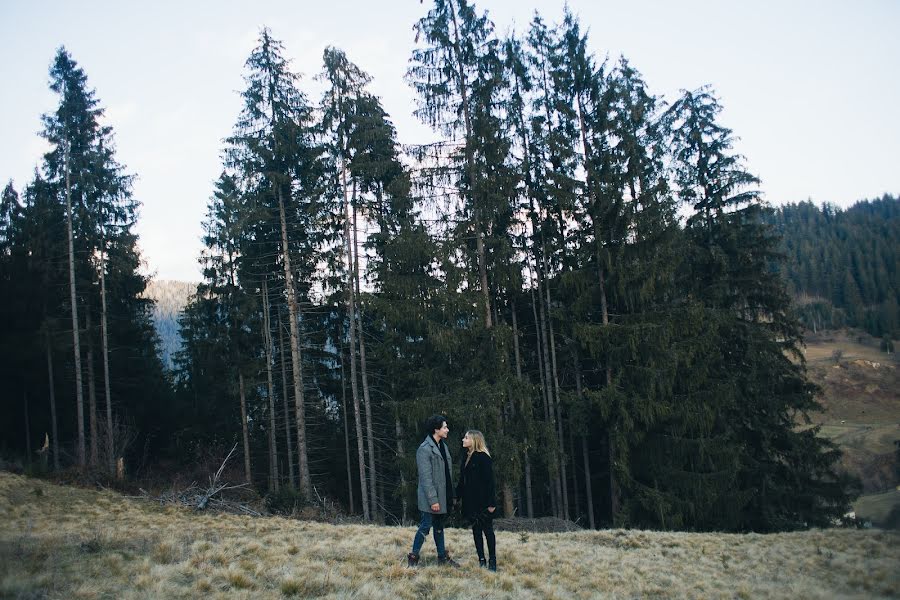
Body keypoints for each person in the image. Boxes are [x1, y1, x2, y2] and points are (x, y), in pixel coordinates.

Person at [407, 414, 459, 567]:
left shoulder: (443, 446)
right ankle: (413, 557)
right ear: (436, 430)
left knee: (439, 526)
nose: (447, 430)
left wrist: (451, 495)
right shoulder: (424, 449)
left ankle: (442, 558)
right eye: (444, 427)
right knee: (425, 525)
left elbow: (447, 475)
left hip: (443, 496)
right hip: (430, 498)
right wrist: (433, 500)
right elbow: (426, 478)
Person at [455, 429, 497, 571]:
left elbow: (490, 482)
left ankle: (492, 561)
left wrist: (492, 503)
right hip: (470, 502)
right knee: (476, 531)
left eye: (466, 437)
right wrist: (457, 496)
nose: (463, 440)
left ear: (474, 440)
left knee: (488, 531)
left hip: (484, 502)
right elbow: (463, 480)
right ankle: (481, 560)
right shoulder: (466, 457)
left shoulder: (483, 457)